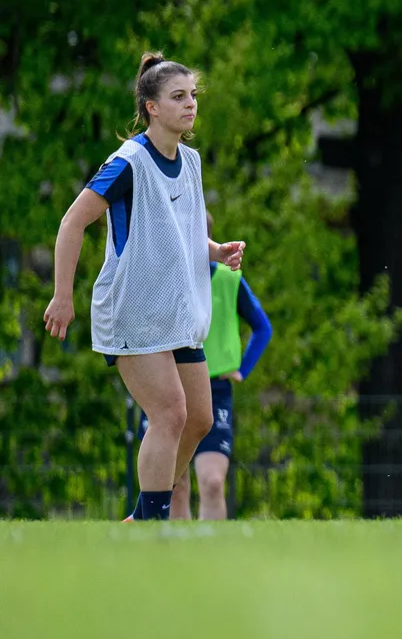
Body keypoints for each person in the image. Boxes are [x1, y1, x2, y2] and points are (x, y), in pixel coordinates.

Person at [42, 53, 246, 522]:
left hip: (175, 312)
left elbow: (184, 232)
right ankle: (151, 526)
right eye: (178, 97)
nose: (190, 104)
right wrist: (62, 295)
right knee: (171, 414)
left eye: (193, 95)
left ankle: (141, 516)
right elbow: (72, 223)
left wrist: (214, 251)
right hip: (133, 310)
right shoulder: (129, 162)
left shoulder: (191, 162)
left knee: (199, 419)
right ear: (152, 107)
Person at [153, 213, 274, 520]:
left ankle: (213, 556)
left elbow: (263, 327)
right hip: (172, 387)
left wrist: (242, 369)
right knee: (174, 484)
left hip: (215, 388)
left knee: (212, 481)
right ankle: (177, 559)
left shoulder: (228, 279)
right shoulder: (162, 279)